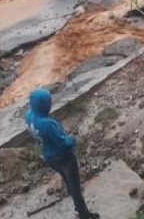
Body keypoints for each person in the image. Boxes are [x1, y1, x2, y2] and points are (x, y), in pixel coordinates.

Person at [26, 88, 100, 219]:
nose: (51, 103)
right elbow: (63, 144)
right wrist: (71, 139)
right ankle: (83, 213)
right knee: (75, 185)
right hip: (63, 157)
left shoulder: (29, 116)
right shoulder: (48, 124)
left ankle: (72, 195)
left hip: (49, 157)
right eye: (49, 101)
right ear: (44, 105)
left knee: (67, 179)